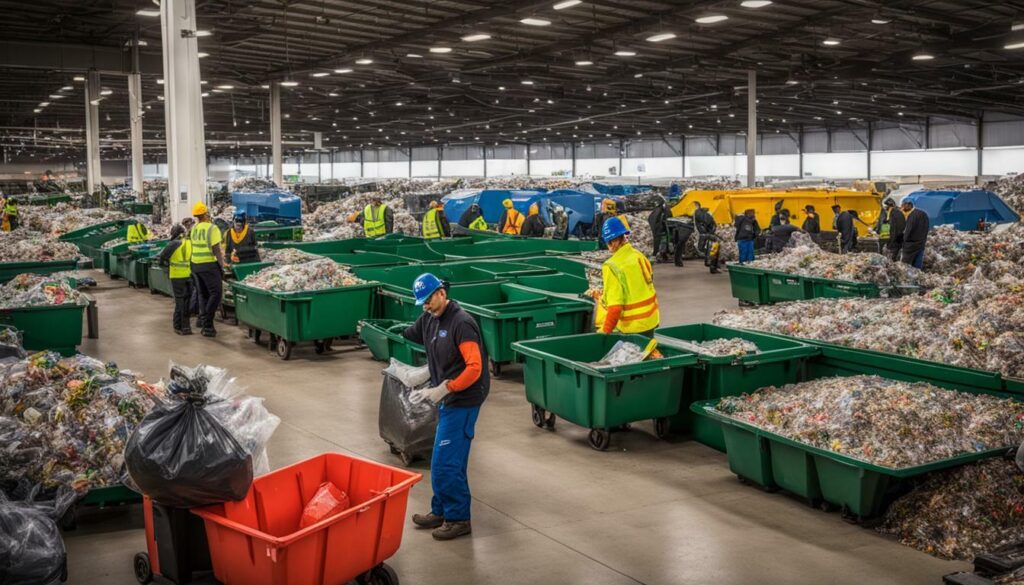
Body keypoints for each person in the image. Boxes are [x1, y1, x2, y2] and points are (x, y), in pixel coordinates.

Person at [403, 273, 489, 541]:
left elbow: (475, 368)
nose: (426, 306)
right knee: (446, 459)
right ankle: (440, 510)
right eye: (423, 303)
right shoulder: (429, 318)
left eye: (428, 300)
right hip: (445, 396)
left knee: (445, 463)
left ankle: (458, 518)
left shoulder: (461, 323)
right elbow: (410, 334)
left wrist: (444, 388)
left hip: (464, 398)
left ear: (441, 292)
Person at [595, 217, 660, 336]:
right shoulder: (639, 256)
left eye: (608, 243)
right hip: (651, 320)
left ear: (612, 242)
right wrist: (603, 296)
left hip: (632, 326)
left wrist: (604, 333)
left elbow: (615, 308)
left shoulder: (611, 266)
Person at [188, 201, 227, 338]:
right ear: (205, 214)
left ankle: (205, 325)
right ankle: (207, 322)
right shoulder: (212, 228)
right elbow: (216, 249)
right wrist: (222, 265)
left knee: (203, 295)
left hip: (195, 265)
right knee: (216, 294)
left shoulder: (194, 228)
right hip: (209, 264)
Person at [154, 224, 193, 335]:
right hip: (189, 276)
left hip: (176, 276)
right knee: (186, 302)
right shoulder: (189, 242)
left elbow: (162, 258)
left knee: (179, 302)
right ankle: (186, 327)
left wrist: (166, 266)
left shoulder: (174, 243)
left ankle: (178, 326)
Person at [901, 200, 929, 269]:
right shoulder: (923, 214)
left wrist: (904, 240)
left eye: (904, 205)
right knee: (918, 262)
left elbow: (908, 230)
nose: (903, 207)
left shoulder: (912, 216)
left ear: (909, 205)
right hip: (921, 243)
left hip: (911, 245)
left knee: (906, 265)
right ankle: (918, 275)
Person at [647, 198, 670, 263]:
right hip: (658, 230)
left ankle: (662, 256)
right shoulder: (659, 211)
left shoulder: (657, 210)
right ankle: (657, 256)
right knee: (660, 243)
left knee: (662, 243)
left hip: (659, 230)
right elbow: (655, 221)